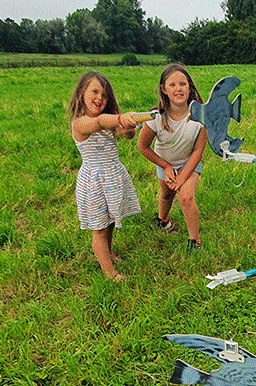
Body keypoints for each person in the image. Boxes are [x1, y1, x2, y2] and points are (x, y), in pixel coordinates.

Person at [67, 71, 154, 280]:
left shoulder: (109, 120)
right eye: (95, 92)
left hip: (113, 176)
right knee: (99, 228)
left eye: (104, 95)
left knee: (111, 222)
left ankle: (109, 252)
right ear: (82, 93)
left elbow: (127, 134)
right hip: (94, 181)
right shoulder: (80, 123)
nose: (100, 98)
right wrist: (119, 118)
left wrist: (127, 126)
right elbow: (98, 124)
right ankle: (109, 273)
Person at [136, 63, 208, 253]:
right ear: (164, 89)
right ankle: (163, 220)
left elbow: (198, 152)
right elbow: (143, 146)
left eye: (183, 84)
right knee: (166, 195)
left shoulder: (200, 116)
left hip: (189, 163)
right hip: (164, 162)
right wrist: (166, 167)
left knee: (186, 197)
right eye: (173, 85)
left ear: (190, 87)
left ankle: (195, 240)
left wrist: (183, 176)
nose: (178, 89)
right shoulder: (156, 117)